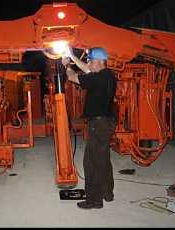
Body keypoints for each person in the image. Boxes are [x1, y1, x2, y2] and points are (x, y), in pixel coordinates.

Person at [63, 47, 116, 209]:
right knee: (103, 158)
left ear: (99, 62)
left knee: (91, 162)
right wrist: (72, 55)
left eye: (90, 61)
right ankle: (108, 193)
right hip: (107, 123)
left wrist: (67, 66)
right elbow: (87, 70)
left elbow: (72, 78)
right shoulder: (108, 75)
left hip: (98, 125)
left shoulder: (97, 78)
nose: (88, 64)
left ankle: (94, 200)